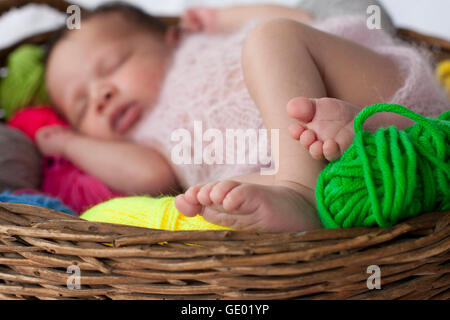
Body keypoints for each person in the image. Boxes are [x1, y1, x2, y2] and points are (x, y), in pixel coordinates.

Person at [40, 3, 448, 232]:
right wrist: (69, 142)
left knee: (272, 38)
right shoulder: (147, 141)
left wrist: (221, 19)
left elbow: (305, 22)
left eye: (113, 65)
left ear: (173, 37)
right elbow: (147, 177)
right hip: (356, 170)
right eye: (81, 106)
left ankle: (302, 186)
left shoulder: (203, 45)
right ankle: (312, 178)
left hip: (374, 93)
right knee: (212, 197)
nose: (101, 94)